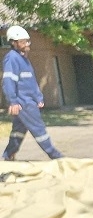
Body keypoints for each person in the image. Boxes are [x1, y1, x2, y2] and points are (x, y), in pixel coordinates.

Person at [2, 26, 63, 161]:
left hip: (30, 101)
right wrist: (13, 101)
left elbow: (31, 82)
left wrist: (38, 97)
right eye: (23, 42)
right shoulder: (12, 58)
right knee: (39, 129)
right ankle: (55, 156)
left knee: (19, 131)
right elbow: (8, 81)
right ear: (13, 42)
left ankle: (7, 156)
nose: (27, 44)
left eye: (27, 41)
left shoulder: (24, 60)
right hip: (23, 102)